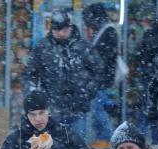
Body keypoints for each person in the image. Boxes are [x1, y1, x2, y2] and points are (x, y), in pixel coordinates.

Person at [23, 8, 104, 138]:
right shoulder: (43, 48)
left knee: (77, 147)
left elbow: (99, 71)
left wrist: (88, 91)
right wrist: (34, 97)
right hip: (51, 108)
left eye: (63, 29)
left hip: (78, 106)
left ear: (70, 27)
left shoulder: (83, 47)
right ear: (51, 29)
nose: (60, 33)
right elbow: (30, 74)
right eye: (56, 30)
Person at [133, 9, 158, 144]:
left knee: (145, 109)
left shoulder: (149, 34)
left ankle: (141, 138)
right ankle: (156, 139)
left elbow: (140, 54)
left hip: (147, 76)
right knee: (156, 110)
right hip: (157, 78)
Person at [82, 3, 119, 149]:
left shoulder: (108, 31)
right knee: (98, 108)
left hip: (103, 80)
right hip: (101, 79)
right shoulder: (104, 31)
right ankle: (102, 138)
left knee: (98, 108)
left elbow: (103, 58)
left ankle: (108, 137)